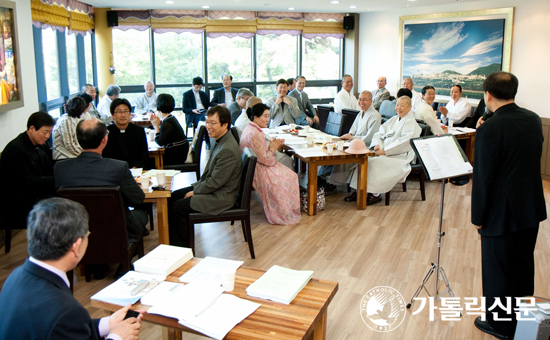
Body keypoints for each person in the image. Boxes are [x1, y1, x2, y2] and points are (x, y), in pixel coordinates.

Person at [0, 198, 142, 340]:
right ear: (76, 246)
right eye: (87, 235)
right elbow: (63, 324)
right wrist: (118, 337)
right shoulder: (66, 311)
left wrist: (107, 324)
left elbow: (64, 331)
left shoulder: (14, 277)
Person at [471, 72, 546, 340]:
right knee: (522, 266)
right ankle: (523, 321)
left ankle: (501, 326)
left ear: (487, 95)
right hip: (530, 206)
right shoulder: (533, 119)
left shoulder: (490, 129)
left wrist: (478, 216)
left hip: (500, 213)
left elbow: (483, 177)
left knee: (497, 271)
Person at [55, 118, 148, 244]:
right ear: (104, 140)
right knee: (141, 214)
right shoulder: (118, 167)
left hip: (76, 231)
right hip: (115, 230)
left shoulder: (60, 168)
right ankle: (124, 261)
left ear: (78, 140)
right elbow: (138, 198)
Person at [168, 106, 242, 247]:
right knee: (172, 197)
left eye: (213, 123)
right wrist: (195, 189)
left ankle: (183, 250)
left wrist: (195, 191)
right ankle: (173, 245)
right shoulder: (220, 139)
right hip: (215, 188)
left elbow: (216, 182)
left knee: (178, 207)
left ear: (225, 125)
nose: (208, 126)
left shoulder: (227, 149)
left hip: (221, 196)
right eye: (207, 122)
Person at [346, 96, 421, 205]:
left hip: (399, 156)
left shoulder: (411, 123)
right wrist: (378, 145)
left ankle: (375, 194)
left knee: (374, 163)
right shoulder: (394, 119)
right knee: (363, 159)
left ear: (409, 107)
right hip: (384, 152)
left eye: (402, 106)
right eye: (397, 105)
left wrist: (385, 151)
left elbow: (404, 143)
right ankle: (360, 191)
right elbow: (379, 133)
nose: (398, 108)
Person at [240, 103, 300, 225]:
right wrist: (272, 148)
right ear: (256, 118)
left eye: (268, 116)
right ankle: (283, 211)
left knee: (290, 174)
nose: (268, 119)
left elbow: (260, 154)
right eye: (265, 116)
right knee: (290, 176)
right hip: (258, 169)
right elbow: (267, 160)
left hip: (255, 166)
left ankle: (287, 208)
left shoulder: (250, 129)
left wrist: (271, 147)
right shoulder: (255, 134)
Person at [0, 112, 56, 233]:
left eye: (50, 132)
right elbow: (26, 183)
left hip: (37, 192)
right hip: (19, 200)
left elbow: (48, 167)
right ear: (31, 129)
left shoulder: (40, 143)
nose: (47, 136)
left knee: (70, 197)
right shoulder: (15, 150)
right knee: (60, 207)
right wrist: (56, 180)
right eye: (45, 132)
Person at [328, 91, 381, 187]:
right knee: (334, 151)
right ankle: (324, 178)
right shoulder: (361, 113)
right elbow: (352, 130)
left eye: (364, 99)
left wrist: (352, 137)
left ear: (371, 101)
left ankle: (333, 184)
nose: (361, 102)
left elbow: (369, 138)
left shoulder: (375, 116)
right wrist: (348, 136)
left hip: (366, 147)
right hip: (353, 143)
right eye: (360, 99)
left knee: (344, 158)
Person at [102, 98, 149, 169]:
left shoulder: (139, 131)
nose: (123, 115)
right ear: (112, 115)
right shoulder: (106, 132)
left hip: (135, 170)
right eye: (119, 112)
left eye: (126, 111)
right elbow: (104, 157)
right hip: (113, 171)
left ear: (130, 114)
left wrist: (136, 166)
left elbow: (144, 154)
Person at [150, 94, 188, 166]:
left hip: (176, 156)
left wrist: (156, 127)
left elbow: (160, 142)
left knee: (149, 161)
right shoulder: (171, 118)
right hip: (179, 152)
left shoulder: (167, 123)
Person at [52, 96, 87, 160]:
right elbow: (69, 145)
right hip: (64, 157)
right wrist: (84, 155)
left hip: (71, 155)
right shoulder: (65, 121)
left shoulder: (73, 118)